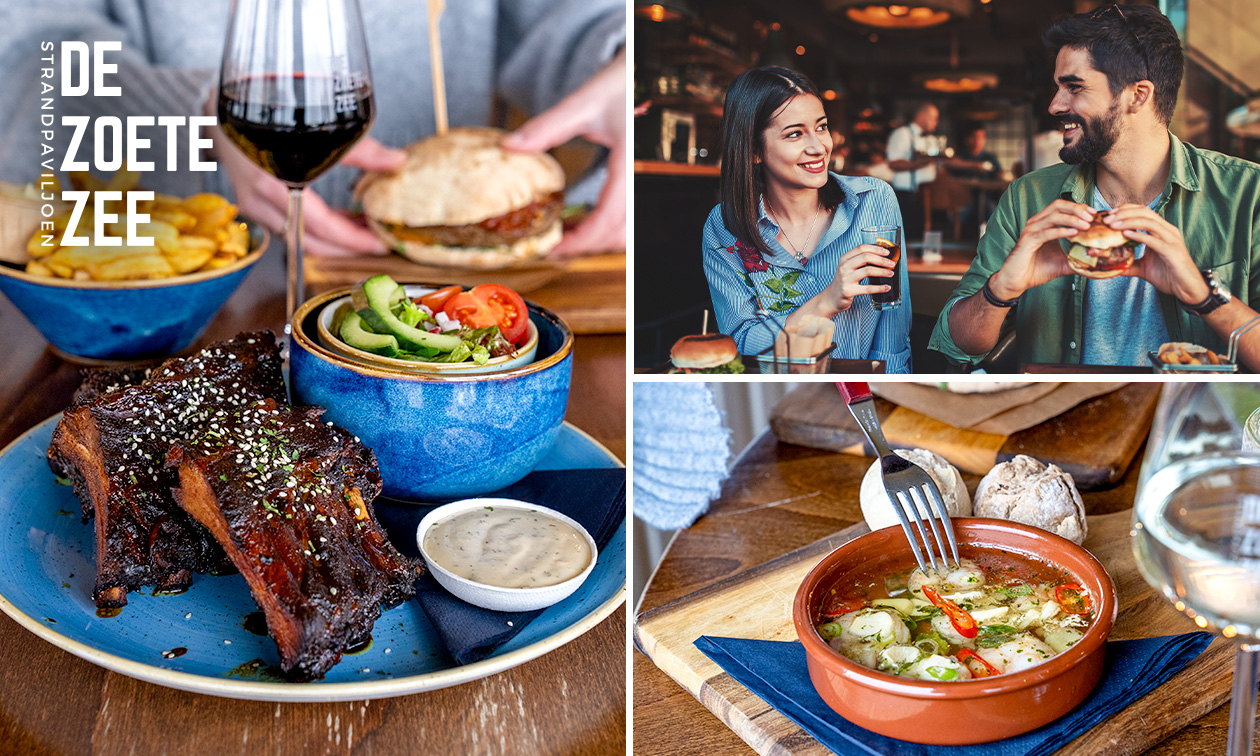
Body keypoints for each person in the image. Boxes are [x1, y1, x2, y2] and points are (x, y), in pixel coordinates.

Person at [0, 1, 625, 258]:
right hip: (181, 294)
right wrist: (196, 114)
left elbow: (583, 14)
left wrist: (632, 67)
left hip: (453, 298)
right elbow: (34, 62)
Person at [929, 3, 1260, 371]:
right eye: (1058, 88)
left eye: (1074, 87)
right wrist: (1000, 290)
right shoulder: (1028, 199)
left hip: (1199, 419)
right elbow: (955, 347)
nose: (1055, 105)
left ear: (1138, 95)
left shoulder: (1248, 195)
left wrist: (1203, 296)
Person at [702, 66, 912, 373]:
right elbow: (740, 342)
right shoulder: (723, 227)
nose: (818, 147)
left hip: (866, 393)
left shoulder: (874, 200)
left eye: (822, 127)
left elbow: (893, 338)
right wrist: (825, 303)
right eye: (795, 134)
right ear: (754, 150)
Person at [885, 103, 940, 241]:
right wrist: (920, 163)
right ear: (921, 116)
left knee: (923, 238)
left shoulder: (930, 138)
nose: (936, 122)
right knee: (907, 238)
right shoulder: (902, 134)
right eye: (933, 118)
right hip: (907, 195)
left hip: (927, 195)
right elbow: (894, 163)